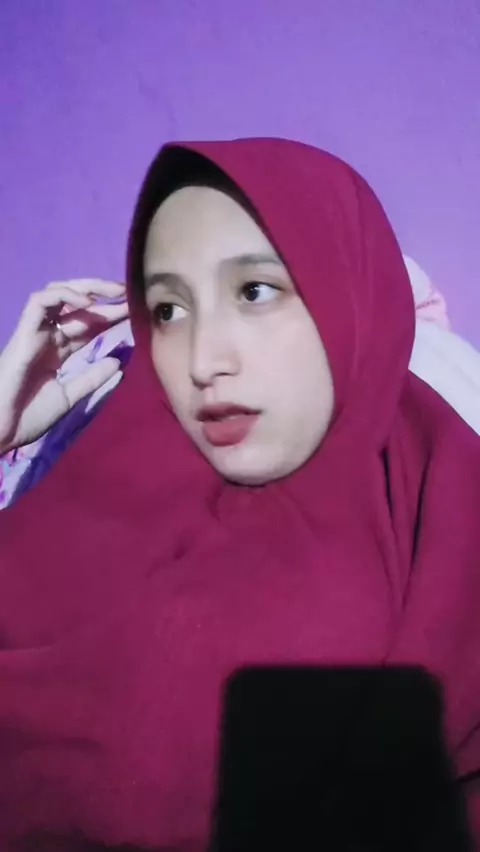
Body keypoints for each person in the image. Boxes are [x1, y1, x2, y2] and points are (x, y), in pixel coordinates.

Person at [0, 138, 479, 850]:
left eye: (255, 292)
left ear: (349, 291)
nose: (203, 361)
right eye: (168, 310)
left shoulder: (449, 511)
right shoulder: (97, 481)